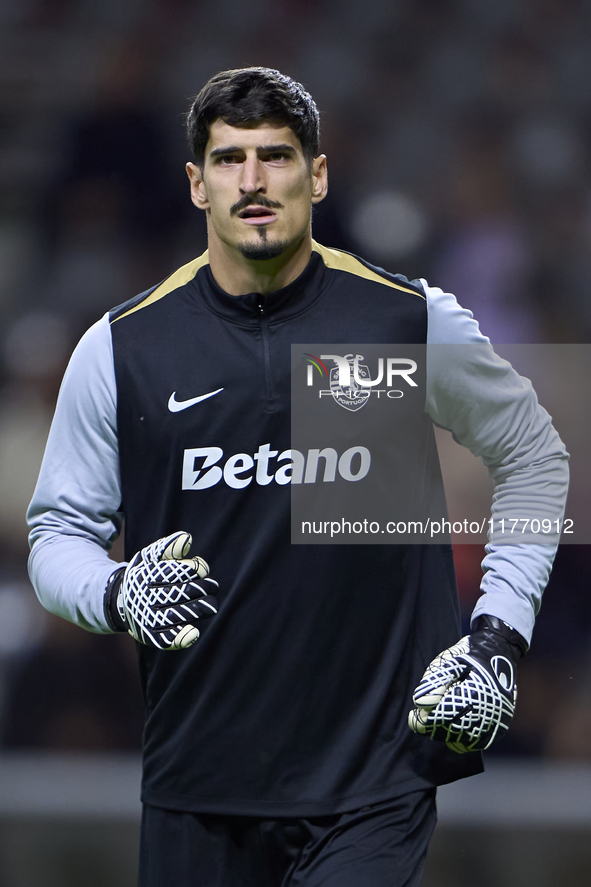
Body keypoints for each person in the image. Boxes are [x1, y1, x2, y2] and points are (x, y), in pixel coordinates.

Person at [27, 68, 568, 887]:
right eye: (229, 159)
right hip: (197, 778)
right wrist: (112, 593)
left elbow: (534, 456)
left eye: (275, 156)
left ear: (317, 174)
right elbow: (56, 533)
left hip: (372, 778)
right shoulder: (123, 346)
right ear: (195, 183)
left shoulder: (401, 320)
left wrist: (494, 637)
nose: (252, 181)